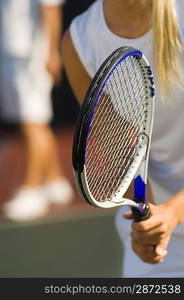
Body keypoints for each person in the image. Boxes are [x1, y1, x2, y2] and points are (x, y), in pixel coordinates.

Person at [61, 0, 184, 277]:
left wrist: (174, 212)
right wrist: (149, 225)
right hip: (167, 241)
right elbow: (124, 161)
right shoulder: (78, 42)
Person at [0, 0, 74, 222]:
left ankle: (32, 190)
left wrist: (51, 53)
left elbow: (50, 8)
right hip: (13, 55)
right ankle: (53, 180)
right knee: (32, 122)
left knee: (32, 124)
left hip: (31, 57)